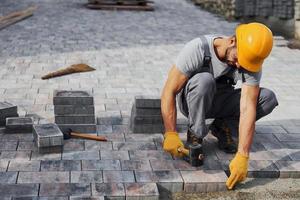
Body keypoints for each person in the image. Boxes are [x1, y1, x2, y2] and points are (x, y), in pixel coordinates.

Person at [161, 22, 278, 189]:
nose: (239, 66)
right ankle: (195, 133)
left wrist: (243, 155)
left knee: (267, 98)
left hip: (220, 99)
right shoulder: (198, 48)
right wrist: (170, 133)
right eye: (238, 59)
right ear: (231, 41)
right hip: (193, 100)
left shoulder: (250, 60)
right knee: (204, 81)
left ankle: (223, 127)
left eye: (245, 63)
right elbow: (168, 91)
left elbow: (247, 107)